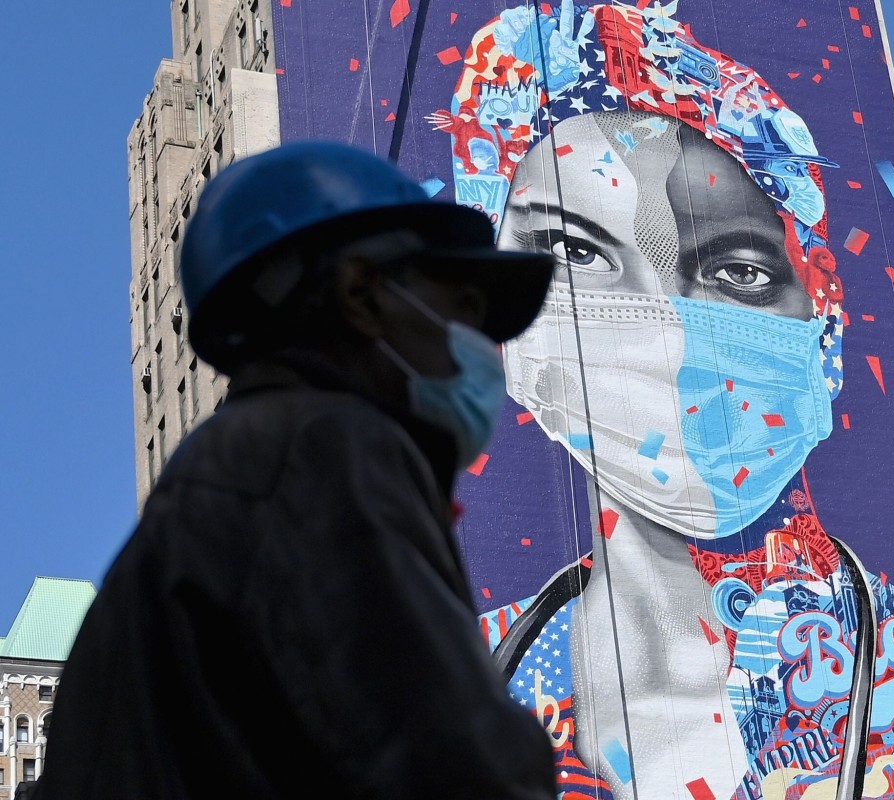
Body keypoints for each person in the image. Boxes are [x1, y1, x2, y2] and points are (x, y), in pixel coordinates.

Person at [435, 4, 894, 800]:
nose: (667, 336)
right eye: (574, 252)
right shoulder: (438, 702)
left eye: (738, 270)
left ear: (821, 321)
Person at [36, 141, 559, 799]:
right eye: (465, 309)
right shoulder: (319, 450)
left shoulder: (240, 469)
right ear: (362, 294)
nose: (486, 350)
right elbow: (448, 762)